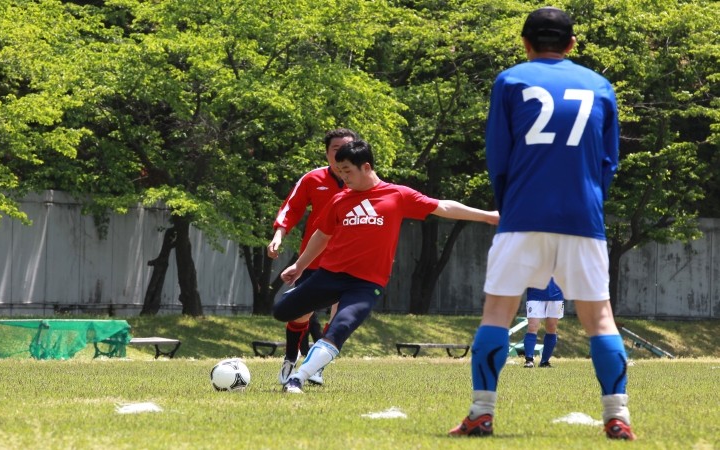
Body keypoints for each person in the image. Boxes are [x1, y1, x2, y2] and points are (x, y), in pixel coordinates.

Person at [449, 7, 635, 441]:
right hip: (583, 214)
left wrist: (509, 203)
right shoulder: (599, 85)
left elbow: (499, 154)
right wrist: (589, 200)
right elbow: (609, 162)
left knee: (497, 312)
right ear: (572, 44)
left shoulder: (510, 80)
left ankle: (481, 413)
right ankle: (618, 416)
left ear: (526, 43)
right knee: (600, 318)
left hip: (522, 213)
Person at [273, 139, 499, 394]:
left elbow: (443, 206)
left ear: (366, 167)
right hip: (330, 275)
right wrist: (300, 266)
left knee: (340, 328)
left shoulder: (397, 195)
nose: (343, 176)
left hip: (366, 284)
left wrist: (488, 216)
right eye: (339, 170)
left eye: (347, 170)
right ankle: (293, 356)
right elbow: (321, 235)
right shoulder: (339, 200)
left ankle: (298, 378)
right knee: (282, 311)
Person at [267, 128, 358, 386]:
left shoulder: (365, 183)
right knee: (301, 314)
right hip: (314, 258)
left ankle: (315, 366)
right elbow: (291, 208)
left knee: (340, 317)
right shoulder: (312, 178)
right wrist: (279, 235)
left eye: (347, 148)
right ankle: (290, 357)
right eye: (335, 149)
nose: (341, 154)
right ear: (327, 152)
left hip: (350, 261)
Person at [523, 278, 563, 368]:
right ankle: (529, 360)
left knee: (552, 327)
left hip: (556, 293)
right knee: (532, 326)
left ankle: (544, 361)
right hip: (535, 293)